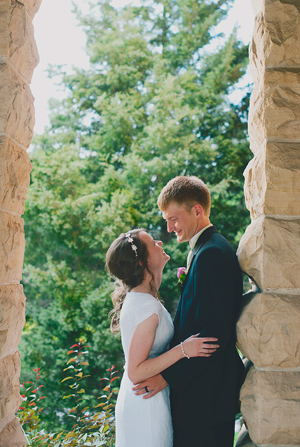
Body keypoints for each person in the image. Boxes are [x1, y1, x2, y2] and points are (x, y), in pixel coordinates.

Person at [132, 176, 244, 447]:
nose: (169, 228)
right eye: (166, 220)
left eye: (174, 219)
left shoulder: (212, 254)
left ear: (197, 210)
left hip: (206, 397)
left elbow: (212, 336)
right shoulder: (204, 250)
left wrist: (167, 377)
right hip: (202, 393)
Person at [107, 229, 219, 447]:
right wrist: (184, 350)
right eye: (152, 242)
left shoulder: (143, 298)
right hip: (145, 403)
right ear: (142, 262)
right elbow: (135, 371)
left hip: (149, 395)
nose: (160, 241)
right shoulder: (146, 305)